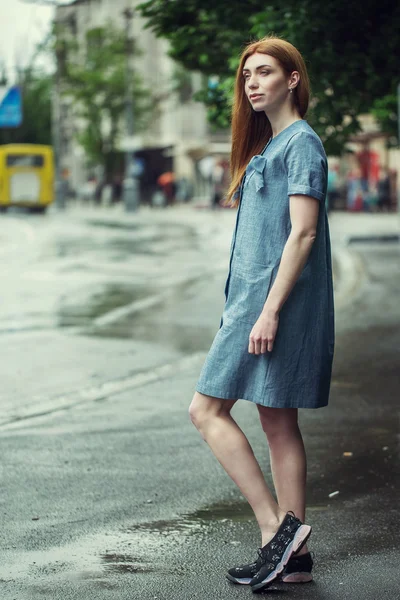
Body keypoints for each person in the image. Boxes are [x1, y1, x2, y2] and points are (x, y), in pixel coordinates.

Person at [189, 36, 334, 593]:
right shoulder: (270, 147)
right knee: (277, 421)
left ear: (292, 79)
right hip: (254, 304)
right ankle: (292, 557)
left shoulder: (301, 144)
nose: (251, 82)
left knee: (205, 411)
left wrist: (269, 311)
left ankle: (278, 531)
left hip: (271, 306)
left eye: (265, 71)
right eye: (246, 73)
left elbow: (303, 232)